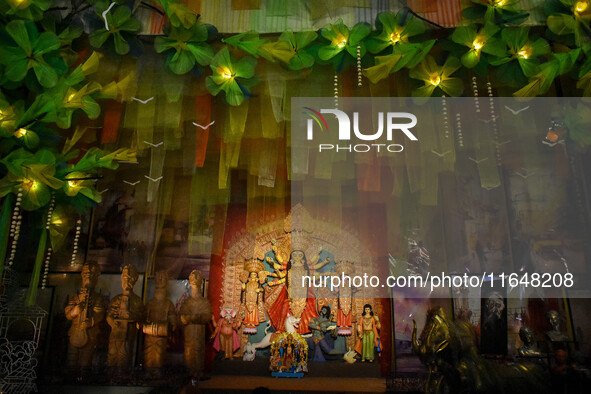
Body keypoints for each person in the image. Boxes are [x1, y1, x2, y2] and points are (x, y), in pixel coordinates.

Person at [65, 262, 105, 369]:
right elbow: (68, 314)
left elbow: (100, 314)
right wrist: (75, 311)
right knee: (71, 360)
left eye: (92, 274)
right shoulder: (76, 297)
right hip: (75, 333)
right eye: (86, 273)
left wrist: (91, 321)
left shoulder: (98, 298)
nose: (88, 277)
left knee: (85, 362)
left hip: (90, 335)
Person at [107, 264, 145, 368]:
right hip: (115, 335)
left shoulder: (137, 301)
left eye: (129, 278)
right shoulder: (116, 299)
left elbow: (141, 317)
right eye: (124, 277)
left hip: (128, 336)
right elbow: (109, 315)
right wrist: (111, 320)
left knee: (124, 359)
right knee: (112, 357)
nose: (126, 280)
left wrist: (131, 316)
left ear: (134, 279)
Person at [180, 270, 212, 377]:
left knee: (199, 349)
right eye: (193, 279)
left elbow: (207, 316)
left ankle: (198, 371)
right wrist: (191, 318)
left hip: (199, 331)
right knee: (189, 349)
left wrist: (195, 318)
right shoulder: (187, 302)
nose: (195, 281)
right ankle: (189, 371)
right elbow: (182, 318)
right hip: (189, 331)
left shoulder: (204, 302)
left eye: (197, 278)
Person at [143, 270, 178, 369]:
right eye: (158, 277)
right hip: (149, 337)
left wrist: (169, 325)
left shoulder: (168, 304)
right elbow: (142, 321)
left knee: (159, 358)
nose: (160, 279)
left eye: (163, 277)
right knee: (148, 358)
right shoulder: (150, 304)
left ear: (167, 281)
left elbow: (173, 323)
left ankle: (156, 373)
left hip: (161, 338)